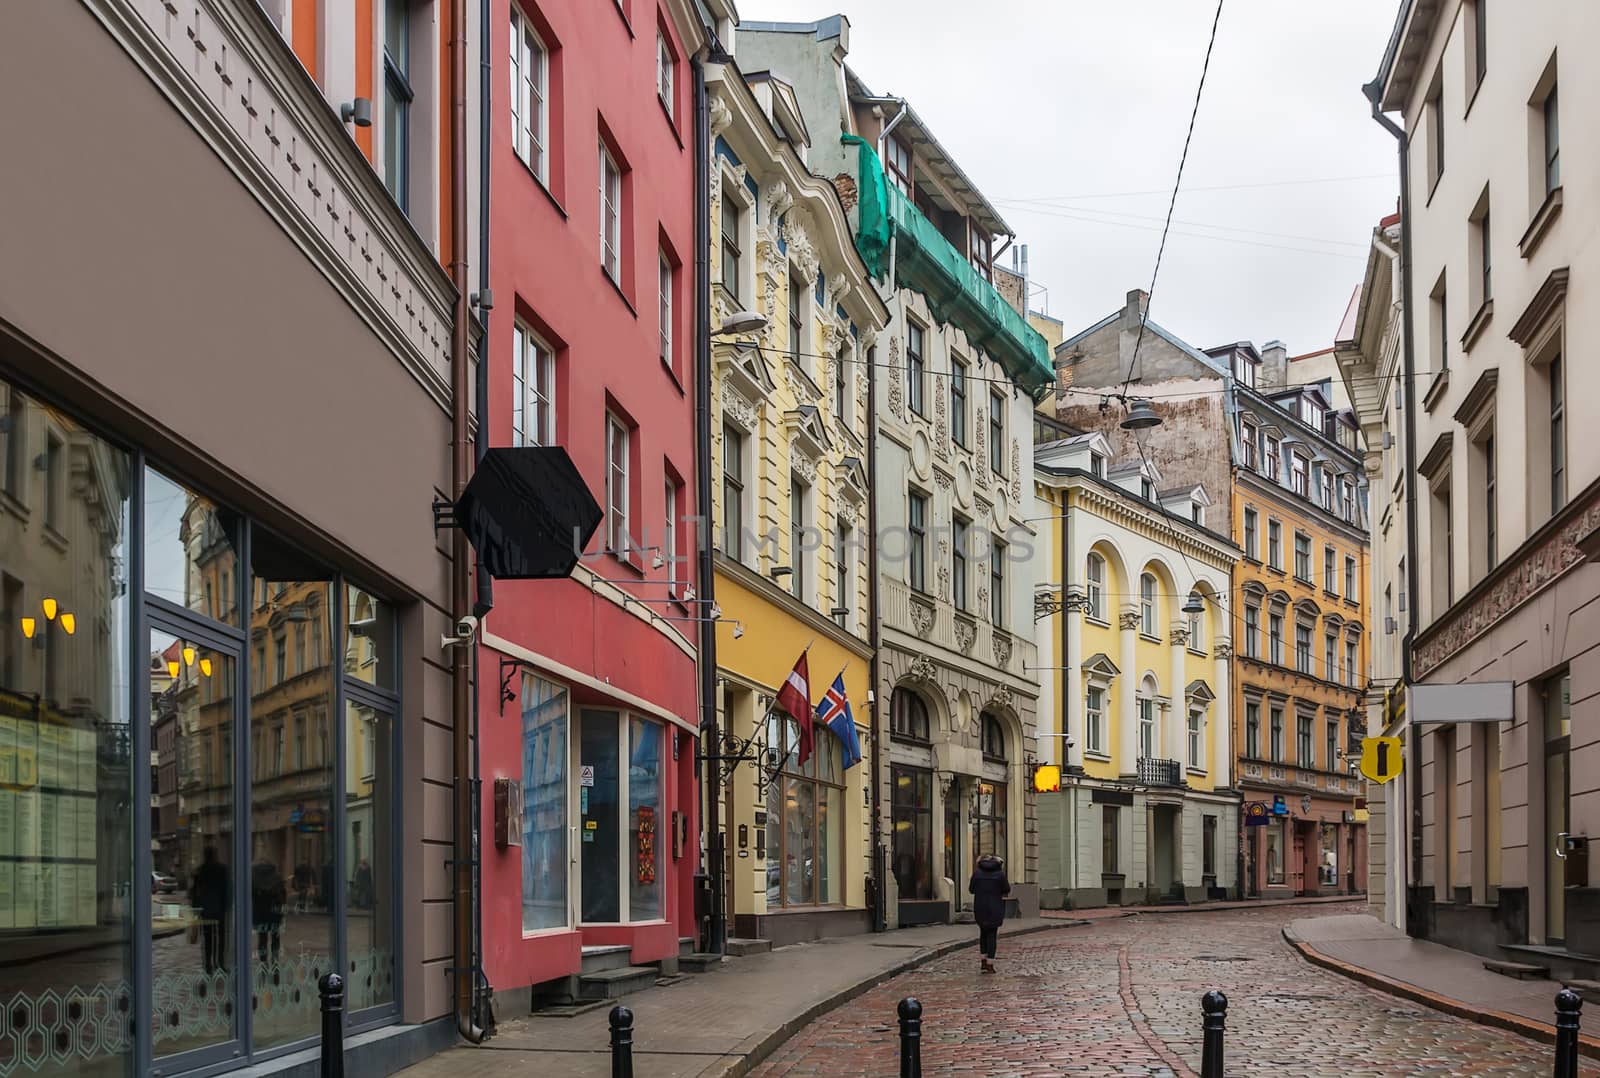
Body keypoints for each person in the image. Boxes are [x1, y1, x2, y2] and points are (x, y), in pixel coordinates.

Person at [968, 853, 1010, 974]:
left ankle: (983, 961)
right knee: (992, 934)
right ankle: (990, 964)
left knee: (983, 933)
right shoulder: (1000, 874)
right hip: (995, 907)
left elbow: (971, 889)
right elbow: (1006, 889)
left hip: (980, 907)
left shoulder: (977, 873)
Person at [190, 846, 230, 975]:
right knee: (220, 937)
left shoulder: (200, 871)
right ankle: (220, 963)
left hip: (206, 909)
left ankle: (208, 965)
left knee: (208, 938)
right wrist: (227, 905)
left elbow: (195, 891)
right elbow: (226, 889)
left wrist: (195, 908)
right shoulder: (222, 869)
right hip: (219, 908)